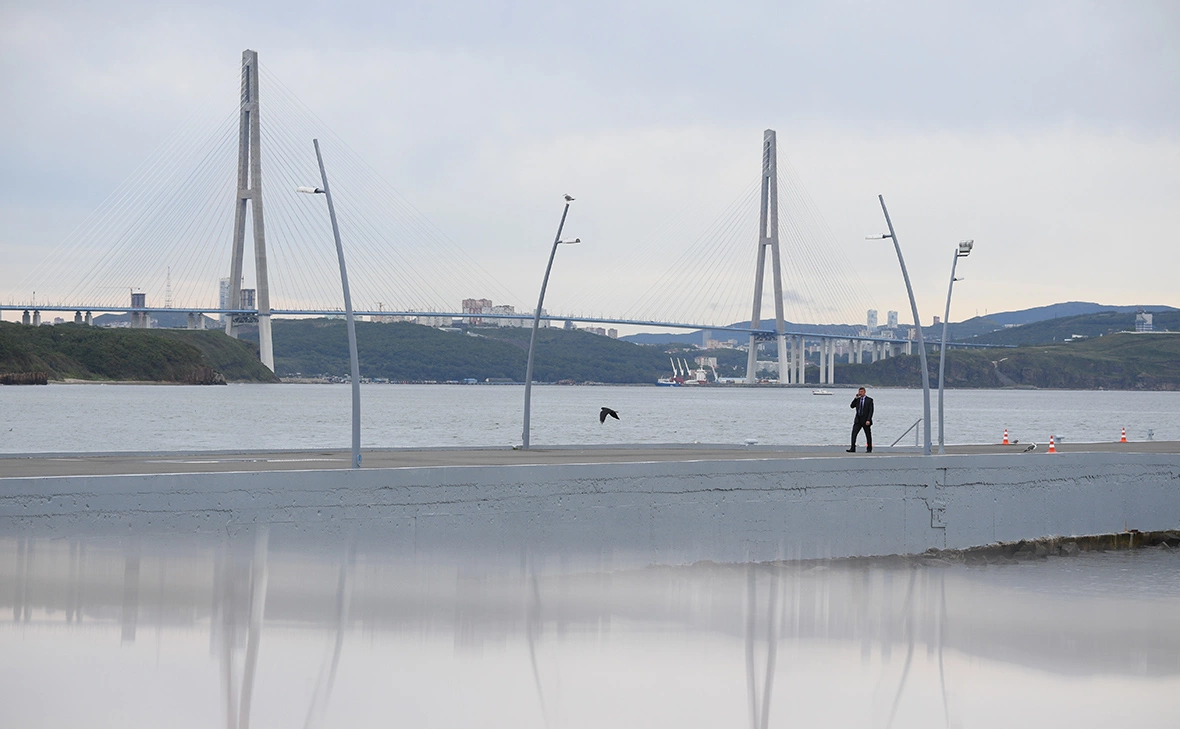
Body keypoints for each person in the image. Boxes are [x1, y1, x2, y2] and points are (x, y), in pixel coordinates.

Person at [847, 387, 873, 453]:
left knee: (868, 434)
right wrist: (855, 398)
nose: (860, 393)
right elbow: (852, 406)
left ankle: (869, 448)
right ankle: (852, 448)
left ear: (864, 392)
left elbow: (871, 411)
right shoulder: (858, 400)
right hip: (858, 420)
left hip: (865, 420)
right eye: (859, 392)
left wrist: (868, 420)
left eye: (861, 392)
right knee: (854, 433)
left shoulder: (869, 400)